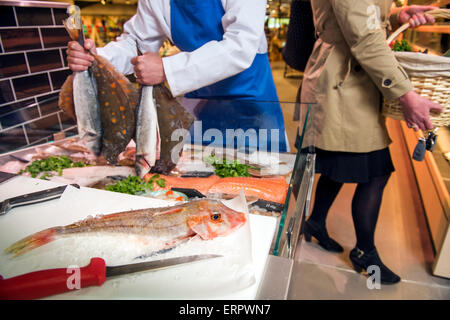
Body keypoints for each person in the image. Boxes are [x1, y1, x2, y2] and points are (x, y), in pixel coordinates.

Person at [300, 1, 443, 284]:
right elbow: (364, 38)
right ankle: (365, 252)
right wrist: (405, 94)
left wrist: (393, 15)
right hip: (344, 84)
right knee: (376, 172)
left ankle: (315, 221)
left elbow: (354, 15)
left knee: (340, 162)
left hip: (347, 80)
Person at [66, 0, 288, 153]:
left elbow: (240, 47)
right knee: (199, 184)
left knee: (263, 183)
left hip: (249, 102)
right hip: (200, 105)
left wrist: (166, 69)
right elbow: (136, 42)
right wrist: (98, 57)